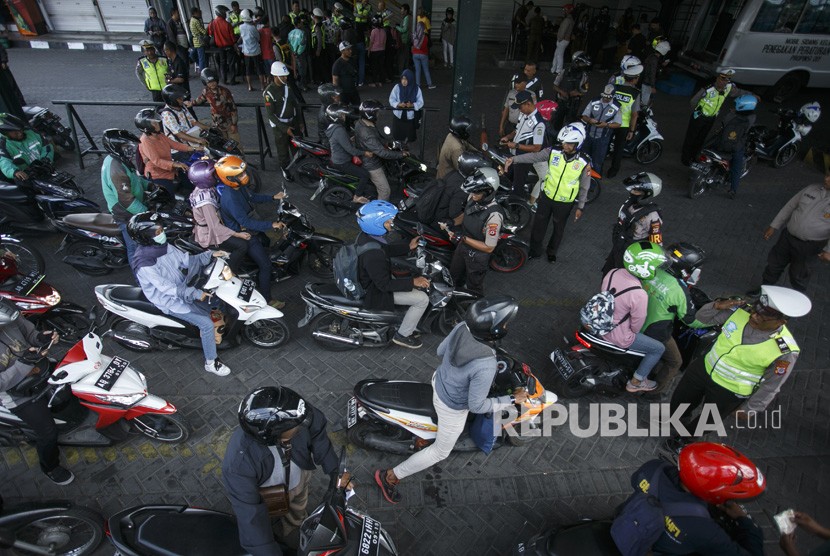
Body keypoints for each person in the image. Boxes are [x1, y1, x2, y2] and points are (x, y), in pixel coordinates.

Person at [375, 296, 529, 503]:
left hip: (438, 380)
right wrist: (511, 398)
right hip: (451, 406)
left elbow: (440, 350)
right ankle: (391, 476)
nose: (507, 325)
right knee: (440, 452)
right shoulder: (485, 364)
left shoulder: (463, 327)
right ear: (495, 329)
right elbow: (477, 405)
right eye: (505, 322)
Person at [667, 285, 811, 449]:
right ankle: (678, 421)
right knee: (680, 401)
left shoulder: (785, 350)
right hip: (703, 369)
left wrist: (751, 408)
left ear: (781, 321)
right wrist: (715, 306)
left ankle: (684, 440)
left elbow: (772, 384)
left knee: (707, 421)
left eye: (762, 317)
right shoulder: (740, 311)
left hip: (730, 390)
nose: (755, 317)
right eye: (756, 311)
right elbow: (701, 318)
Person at [223, 386, 339, 553]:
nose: (302, 425)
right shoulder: (238, 463)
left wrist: (335, 470)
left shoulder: (297, 413)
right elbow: (251, 516)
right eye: (295, 429)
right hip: (267, 494)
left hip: (299, 479)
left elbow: (317, 432)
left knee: (298, 506)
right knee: (266, 520)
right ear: (273, 434)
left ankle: (295, 526)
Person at [128, 212, 232, 376]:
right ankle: (211, 362)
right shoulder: (145, 264)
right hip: (171, 301)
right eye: (157, 232)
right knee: (206, 324)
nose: (161, 233)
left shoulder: (164, 246)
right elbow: (167, 289)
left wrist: (209, 254)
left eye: (161, 229)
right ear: (145, 237)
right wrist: (196, 293)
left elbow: (187, 261)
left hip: (185, 287)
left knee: (211, 306)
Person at [626, 443, 765, 555]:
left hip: (629, 522)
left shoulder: (654, 467)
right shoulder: (705, 530)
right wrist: (746, 522)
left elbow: (635, 481)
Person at [0, 301, 69, 485]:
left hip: (40, 367)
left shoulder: (9, 315)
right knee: (47, 432)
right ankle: (50, 467)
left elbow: (30, 333)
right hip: (17, 394)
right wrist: (24, 365)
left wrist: (43, 338)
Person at [504, 122, 590, 262]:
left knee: (558, 229)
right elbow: (534, 157)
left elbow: (585, 186)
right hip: (547, 197)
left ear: (578, 144)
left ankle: (552, 251)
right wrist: (514, 159)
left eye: (569, 144)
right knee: (539, 225)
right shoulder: (553, 151)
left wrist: (580, 206)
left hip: (564, 203)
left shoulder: (584, 162)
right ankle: (535, 250)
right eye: (563, 142)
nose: (564, 146)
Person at [353, 200, 430, 348]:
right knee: (422, 299)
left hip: (372, 278)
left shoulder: (367, 237)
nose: (391, 225)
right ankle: (402, 335)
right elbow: (384, 285)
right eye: (388, 222)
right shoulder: (373, 255)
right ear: (376, 224)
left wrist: (407, 247)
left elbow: (385, 250)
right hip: (375, 291)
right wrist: (413, 282)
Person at [597, 241, 667, 392]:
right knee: (658, 348)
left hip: (599, 321)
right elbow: (636, 326)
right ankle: (636, 382)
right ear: (645, 268)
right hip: (616, 334)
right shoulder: (639, 293)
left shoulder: (613, 272)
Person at [216, 155, 285, 308]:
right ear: (229, 178)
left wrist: (273, 197)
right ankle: (268, 300)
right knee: (265, 265)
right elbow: (245, 222)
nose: (245, 176)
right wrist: (271, 224)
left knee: (267, 242)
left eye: (243, 172)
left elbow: (252, 197)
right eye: (240, 175)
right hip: (246, 235)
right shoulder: (231, 199)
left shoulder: (238, 187)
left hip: (252, 228)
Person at [641, 242, 706, 389]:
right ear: (686, 269)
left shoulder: (651, 268)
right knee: (675, 362)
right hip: (653, 332)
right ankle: (654, 393)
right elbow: (691, 320)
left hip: (634, 320)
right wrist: (712, 321)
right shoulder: (680, 291)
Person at [755, 174, 830, 294]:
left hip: (810, 247)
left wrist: (828, 250)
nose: (826, 179)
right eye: (827, 175)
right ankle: (764, 291)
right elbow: (790, 206)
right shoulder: (812, 189)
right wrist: (774, 225)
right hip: (787, 238)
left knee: (799, 275)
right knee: (774, 265)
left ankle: (797, 302)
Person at [445, 168, 504, 296]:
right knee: (453, 275)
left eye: (477, 193)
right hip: (463, 246)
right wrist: (452, 223)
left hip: (477, 256)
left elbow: (489, 247)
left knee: (474, 286)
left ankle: (473, 305)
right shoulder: (473, 198)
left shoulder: (494, 216)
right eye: (472, 192)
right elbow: (466, 214)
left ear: (488, 192)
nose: (473, 195)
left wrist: (463, 238)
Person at [680, 69, 757, 166]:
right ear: (717, 78)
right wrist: (697, 112)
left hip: (711, 118)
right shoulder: (708, 89)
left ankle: (695, 156)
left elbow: (739, 92)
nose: (724, 82)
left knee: (701, 138)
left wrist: (752, 95)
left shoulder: (728, 88)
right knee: (691, 138)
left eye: (726, 80)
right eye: (722, 79)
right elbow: (693, 102)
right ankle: (686, 158)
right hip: (699, 117)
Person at [188, 160, 250, 274]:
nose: (216, 176)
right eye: (213, 174)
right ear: (205, 178)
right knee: (242, 245)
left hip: (208, 227)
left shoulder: (202, 189)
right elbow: (215, 227)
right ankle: (231, 270)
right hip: (209, 234)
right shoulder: (206, 203)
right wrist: (238, 234)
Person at [100, 129, 150, 264]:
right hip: (126, 215)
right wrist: (146, 213)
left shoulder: (120, 160)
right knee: (135, 249)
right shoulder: (116, 168)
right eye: (125, 147)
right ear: (116, 148)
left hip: (132, 207)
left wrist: (150, 186)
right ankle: (140, 279)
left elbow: (134, 179)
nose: (130, 150)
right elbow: (126, 200)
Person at [601, 172, 663, 274]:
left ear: (646, 194)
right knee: (607, 272)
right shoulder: (630, 204)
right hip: (618, 247)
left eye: (636, 190)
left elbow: (656, 244)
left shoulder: (651, 216)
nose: (632, 192)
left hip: (631, 255)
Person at [135, 108, 197, 196]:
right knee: (170, 197)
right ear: (148, 127)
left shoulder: (159, 134)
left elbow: (175, 145)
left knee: (193, 182)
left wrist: (194, 148)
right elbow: (157, 161)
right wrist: (176, 164)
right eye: (154, 122)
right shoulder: (145, 141)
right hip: (158, 175)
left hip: (171, 170)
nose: (158, 123)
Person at [354, 100, 406, 201]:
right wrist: (400, 154)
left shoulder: (362, 122)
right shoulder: (367, 133)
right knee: (385, 190)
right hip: (371, 164)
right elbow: (382, 152)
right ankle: (380, 212)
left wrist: (387, 142)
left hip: (371, 157)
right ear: (370, 115)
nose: (378, 114)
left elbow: (377, 139)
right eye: (376, 112)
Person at [325, 103, 374, 203]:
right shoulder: (339, 130)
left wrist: (349, 139)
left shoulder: (332, 127)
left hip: (337, 158)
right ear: (336, 117)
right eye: (342, 115)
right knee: (365, 174)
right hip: (342, 162)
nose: (344, 117)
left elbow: (342, 142)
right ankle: (357, 196)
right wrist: (365, 153)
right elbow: (350, 150)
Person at [500, 90, 546, 195]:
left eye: (520, 107)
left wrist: (516, 145)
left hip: (524, 158)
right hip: (513, 154)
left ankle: (516, 207)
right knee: (507, 177)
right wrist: (508, 137)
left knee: (518, 185)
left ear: (528, 104)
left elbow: (537, 148)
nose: (520, 110)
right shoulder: (524, 115)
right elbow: (516, 130)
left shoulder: (538, 124)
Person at [711, 94, 757, 199]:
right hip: (735, 148)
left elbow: (723, 124)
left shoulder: (730, 115)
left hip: (720, 144)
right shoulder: (752, 118)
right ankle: (733, 190)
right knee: (736, 168)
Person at [263, 61, 299, 182]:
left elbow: (296, 105)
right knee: (283, 150)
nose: (285, 77)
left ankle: (300, 168)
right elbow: (271, 115)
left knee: (297, 147)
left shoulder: (287, 87)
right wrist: (284, 128)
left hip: (292, 123)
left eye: (285, 75)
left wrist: (299, 122)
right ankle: (286, 169)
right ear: (275, 76)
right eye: (283, 76)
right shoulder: (269, 93)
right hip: (280, 127)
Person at [607, 63, 642, 178]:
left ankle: (597, 166)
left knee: (605, 145)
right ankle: (613, 171)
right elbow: (635, 114)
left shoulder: (615, 87)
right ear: (635, 79)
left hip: (609, 122)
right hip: (623, 125)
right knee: (618, 148)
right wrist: (632, 131)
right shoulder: (635, 93)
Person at [191, 69, 242, 147]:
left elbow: (233, 108)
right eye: (209, 82)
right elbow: (201, 99)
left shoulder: (225, 91)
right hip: (217, 125)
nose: (212, 84)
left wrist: (234, 124)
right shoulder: (206, 91)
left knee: (235, 145)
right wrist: (191, 103)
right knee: (223, 146)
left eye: (213, 81)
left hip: (229, 123)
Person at [0, 113, 54, 182]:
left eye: (20, 130)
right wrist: (15, 172)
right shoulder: (3, 144)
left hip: (44, 169)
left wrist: (46, 159)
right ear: (5, 133)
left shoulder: (32, 132)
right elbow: (4, 162)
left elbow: (47, 146)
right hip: (25, 178)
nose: (20, 133)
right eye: (15, 133)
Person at [581, 84, 621, 173]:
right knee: (583, 159)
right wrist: (589, 120)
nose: (606, 99)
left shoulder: (617, 106)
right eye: (604, 96)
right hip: (588, 135)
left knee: (597, 162)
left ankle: (595, 183)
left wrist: (606, 125)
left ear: (613, 95)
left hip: (602, 139)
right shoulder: (594, 101)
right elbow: (583, 116)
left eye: (608, 97)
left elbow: (618, 124)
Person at [552, 50, 591, 131]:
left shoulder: (584, 75)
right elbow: (555, 85)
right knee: (556, 123)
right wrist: (562, 92)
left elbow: (584, 91)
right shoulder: (564, 71)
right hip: (561, 102)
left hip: (574, 104)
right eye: (581, 63)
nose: (582, 66)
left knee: (570, 125)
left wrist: (577, 93)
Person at [389, 69, 424, 146]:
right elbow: (391, 99)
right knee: (397, 134)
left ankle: (406, 146)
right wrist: (398, 104)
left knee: (409, 135)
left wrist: (412, 105)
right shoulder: (397, 87)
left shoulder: (416, 89)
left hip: (410, 117)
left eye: (406, 79)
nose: (404, 81)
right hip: (398, 115)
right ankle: (398, 146)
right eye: (402, 79)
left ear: (410, 79)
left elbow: (421, 102)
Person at [207, 6, 238, 86]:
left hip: (219, 48)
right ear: (222, 13)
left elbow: (210, 33)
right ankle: (232, 81)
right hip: (229, 47)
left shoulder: (212, 23)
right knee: (231, 64)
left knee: (222, 64)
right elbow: (233, 38)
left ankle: (224, 80)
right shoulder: (227, 24)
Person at [499, 75, 536, 139]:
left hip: (524, 126)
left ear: (525, 83)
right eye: (515, 82)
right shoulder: (511, 93)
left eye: (518, 83)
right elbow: (506, 110)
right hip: (510, 125)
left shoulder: (531, 95)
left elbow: (534, 111)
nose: (516, 84)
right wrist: (501, 126)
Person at [238, 10, 265, 91]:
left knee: (248, 70)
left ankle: (249, 86)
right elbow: (258, 38)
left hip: (246, 52)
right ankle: (262, 86)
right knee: (259, 69)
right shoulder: (252, 28)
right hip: (255, 51)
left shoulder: (241, 27)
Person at [641, 40, 670, 107]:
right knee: (644, 101)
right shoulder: (655, 59)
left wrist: (662, 65)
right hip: (647, 82)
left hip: (645, 80)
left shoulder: (653, 56)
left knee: (643, 98)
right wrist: (653, 86)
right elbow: (652, 73)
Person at [410, 15, 434, 90]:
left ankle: (417, 85)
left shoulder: (414, 35)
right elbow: (428, 45)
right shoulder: (425, 37)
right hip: (423, 54)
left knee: (417, 70)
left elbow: (412, 44)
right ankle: (429, 84)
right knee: (426, 70)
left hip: (415, 54)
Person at [332, 41, 360, 106]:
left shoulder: (352, 60)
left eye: (350, 49)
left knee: (357, 109)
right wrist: (336, 95)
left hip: (353, 91)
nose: (350, 51)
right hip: (343, 93)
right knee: (344, 112)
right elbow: (335, 81)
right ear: (342, 51)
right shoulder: (337, 64)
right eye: (348, 49)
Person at [551, 4, 575, 76]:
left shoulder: (567, 19)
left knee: (559, 55)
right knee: (557, 55)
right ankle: (554, 69)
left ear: (568, 10)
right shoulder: (570, 19)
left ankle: (558, 71)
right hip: (564, 40)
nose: (564, 11)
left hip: (562, 40)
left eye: (565, 10)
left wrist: (559, 39)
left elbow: (563, 30)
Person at [316, 83, 341, 148]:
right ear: (329, 98)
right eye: (335, 96)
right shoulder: (326, 115)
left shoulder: (332, 107)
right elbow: (338, 131)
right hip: (329, 141)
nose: (338, 97)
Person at [287, 16, 309, 91]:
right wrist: (298, 52)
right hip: (300, 54)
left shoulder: (290, 33)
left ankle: (298, 85)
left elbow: (288, 43)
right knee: (302, 70)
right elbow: (303, 44)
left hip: (292, 54)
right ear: (299, 23)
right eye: (301, 23)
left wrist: (292, 52)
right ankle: (303, 86)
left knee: (295, 69)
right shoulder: (302, 33)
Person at [367, 16, 386, 88]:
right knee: (380, 66)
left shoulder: (373, 31)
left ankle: (374, 82)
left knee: (374, 67)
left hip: (374, 51)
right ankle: (380, 82)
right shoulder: (384, 31)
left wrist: (369, 51)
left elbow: (371, 42)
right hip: (382, 51)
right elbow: (384, 42)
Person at [310, 9, 327, 86]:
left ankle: (322, 80)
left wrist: (318, 50)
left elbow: (319, 39)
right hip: (321, 48)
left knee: (320, 65)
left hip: (318, 48)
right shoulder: (321, 25)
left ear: (315, 17)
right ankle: (323, 79)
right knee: (322, 65)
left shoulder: (317, 27)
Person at [189, 7, 208, 73]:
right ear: (195, 13)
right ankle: (203, 72)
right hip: (199, 41)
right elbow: (203, 31)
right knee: (202, 59)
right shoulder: (196, 21)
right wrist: (207, 30)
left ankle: (201, 67)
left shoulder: (191, 20)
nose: (199, 13)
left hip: (195, 41)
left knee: (198, 57)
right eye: (198, 12)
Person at [396, 4, 412, 72]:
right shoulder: (407, 18)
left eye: (402, 9)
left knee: (402, 59)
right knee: (405, 58)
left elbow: (404, 29)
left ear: (405, 11)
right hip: (405, 40)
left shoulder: (406, 18)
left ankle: (403, 75)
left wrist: (397, 27)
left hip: (404, 41)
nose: (401, 11)